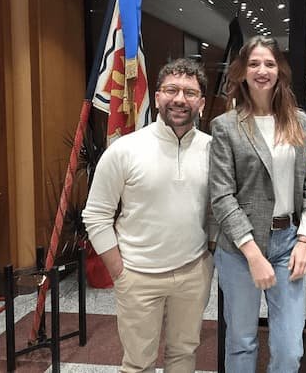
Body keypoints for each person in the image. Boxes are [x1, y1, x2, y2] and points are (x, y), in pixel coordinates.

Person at [82, 58, 215, 373]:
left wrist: (208, 256)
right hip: (137, 276)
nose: (180, 99)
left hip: (193, 273)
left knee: (184, 355)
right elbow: (96, 215)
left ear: (201, 104)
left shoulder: (213, 149)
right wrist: (119, 271)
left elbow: (218, 208)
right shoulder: (125, 150)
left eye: (190, 93)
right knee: (138, 363)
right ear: (157, 98)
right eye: (171, 90)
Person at [208, 35, 306, 372]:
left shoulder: (297, 120)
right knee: (241, 342)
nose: (262, 70)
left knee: (289, 349)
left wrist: (305, 238)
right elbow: (221, 196)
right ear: (242, 71)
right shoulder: (225, 126)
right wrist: (253, 255)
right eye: (254, 63)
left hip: (288, 244)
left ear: (279, 70)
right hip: (240, 249)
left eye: (269, 63)